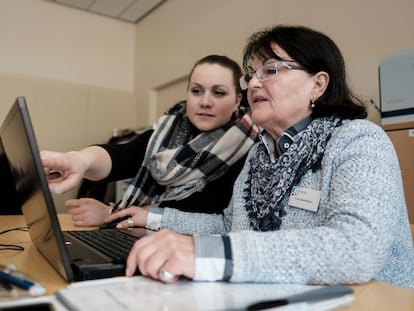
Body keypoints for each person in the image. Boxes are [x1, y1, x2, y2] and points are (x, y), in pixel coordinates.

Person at [103, 24, 414, 288]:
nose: (253, 83)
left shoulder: (358, 140)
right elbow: (230, 225)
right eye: (251, 74)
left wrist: (209, 253)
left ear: (317, 85)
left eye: (271, 70)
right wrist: (155, 220)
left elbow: (355, 249)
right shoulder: (259, 155)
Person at [41, 54, 259, 227]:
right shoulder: (163, 137)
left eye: (218, 93)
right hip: (143, 246)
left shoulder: (251, 151)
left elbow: (229, 226)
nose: (205, 101)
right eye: (196, 91)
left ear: (237, 100)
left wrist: (111, 213)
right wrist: (78, 160)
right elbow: (118, 156)